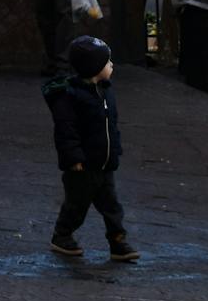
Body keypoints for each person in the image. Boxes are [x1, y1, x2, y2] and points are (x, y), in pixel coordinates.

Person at [45, 35, 138, 262]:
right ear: (94, 68)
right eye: (107, 62)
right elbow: (66, 130)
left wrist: (115, 150)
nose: (111, 65)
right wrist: (73, 158)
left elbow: (110, 125)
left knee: (112, 206)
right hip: (83, 166)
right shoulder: (71, 97)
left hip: (104, 164)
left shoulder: (105, 91)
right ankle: (62, 235)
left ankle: (117, 241)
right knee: (76, 205)